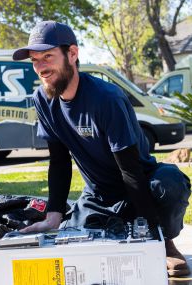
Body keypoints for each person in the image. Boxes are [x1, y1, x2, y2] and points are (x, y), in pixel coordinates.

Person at [12, 20, 191, 277]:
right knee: (75, 247)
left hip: (142, 183)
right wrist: (53, 215)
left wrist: (153, 236)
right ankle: (123, 228)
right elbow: (59, 161)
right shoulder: (42, 99)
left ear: (72, 54)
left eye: (48, 57)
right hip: (98, 196)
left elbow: (130, 170)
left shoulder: (106, 98)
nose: (40, 67)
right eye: (34, 60)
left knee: (170, 183)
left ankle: (165, 243)